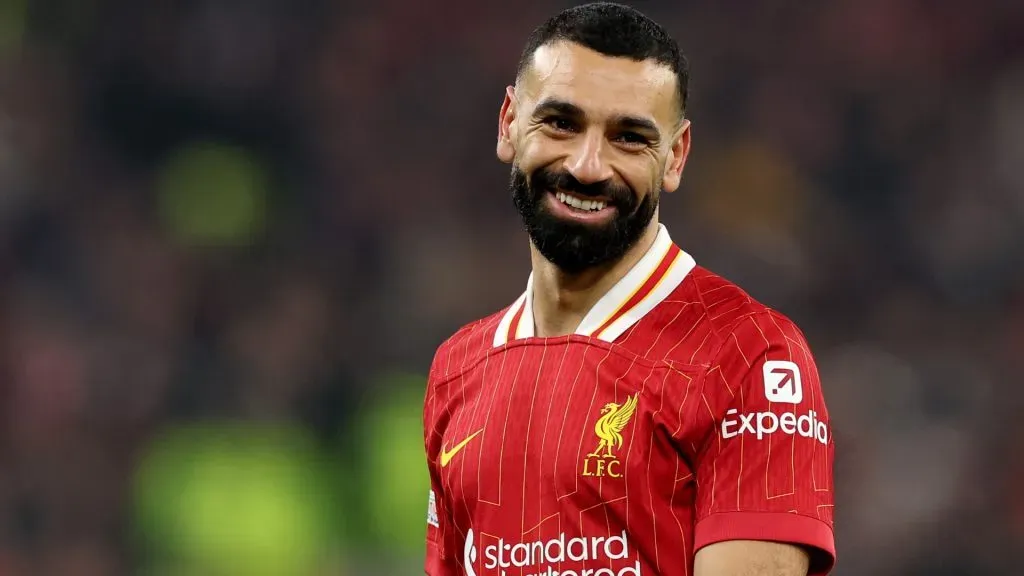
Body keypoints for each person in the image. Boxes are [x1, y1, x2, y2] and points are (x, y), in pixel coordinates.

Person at [422, 3, 835, 575]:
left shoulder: (750, 357)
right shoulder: (457, 370)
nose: (589, 166)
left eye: (629, 137)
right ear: (509, 123)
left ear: (676, 157)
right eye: (561, 123)